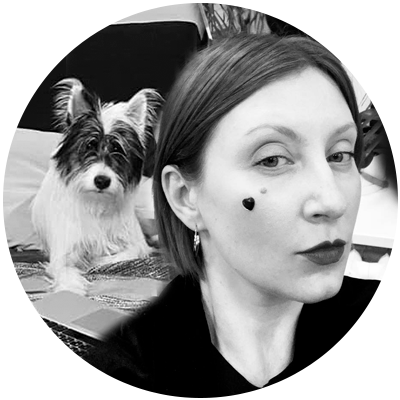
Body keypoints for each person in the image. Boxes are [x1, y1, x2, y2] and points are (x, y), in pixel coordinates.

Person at [68, 34, 399, 399]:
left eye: (340, 155)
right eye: (272, 159)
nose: (333, 201)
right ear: (185, 197)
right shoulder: (121, 378)